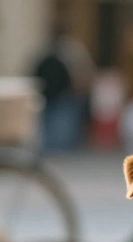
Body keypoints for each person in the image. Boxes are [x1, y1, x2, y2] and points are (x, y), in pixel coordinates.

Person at [32, 23, 95, 153]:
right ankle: (55, 151)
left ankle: (61, 151)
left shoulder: (71, 51)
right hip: (52, 94)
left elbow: (82, 73)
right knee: (55, 126)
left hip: (64, 95)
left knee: (62, 126)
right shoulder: (51, 49)